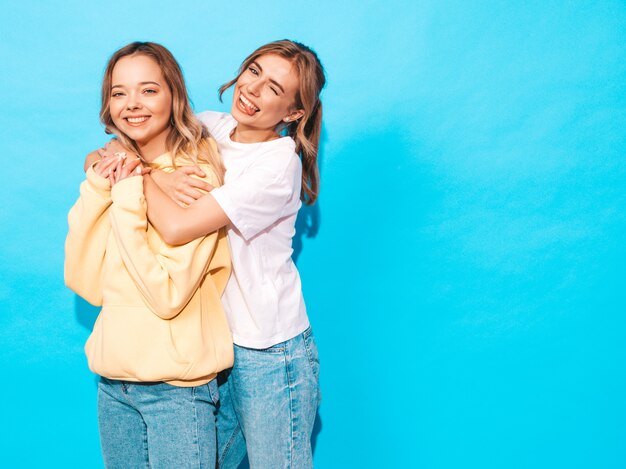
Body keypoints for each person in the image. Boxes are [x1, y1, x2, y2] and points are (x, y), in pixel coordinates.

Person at [101, 39, 326, 468]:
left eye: (275, 89)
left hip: (267, 350)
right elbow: (115, 146)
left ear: (294, 113)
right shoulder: (210, 126)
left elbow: (176, 226)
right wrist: (147, 170)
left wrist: (147, 178)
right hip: (210, 343)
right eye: (254, 71)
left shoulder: (278, 164)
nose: (254, 89)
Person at [65, 42, 232, 469]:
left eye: (148, 90)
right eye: (119, 92)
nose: (131, 105)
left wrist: (129, 191)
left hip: (177, 390)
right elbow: (84, 282)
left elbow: (168, 295)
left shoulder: (196, 176)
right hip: (114, 383)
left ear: (174, 95)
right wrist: (101, 185)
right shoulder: (115, 166)